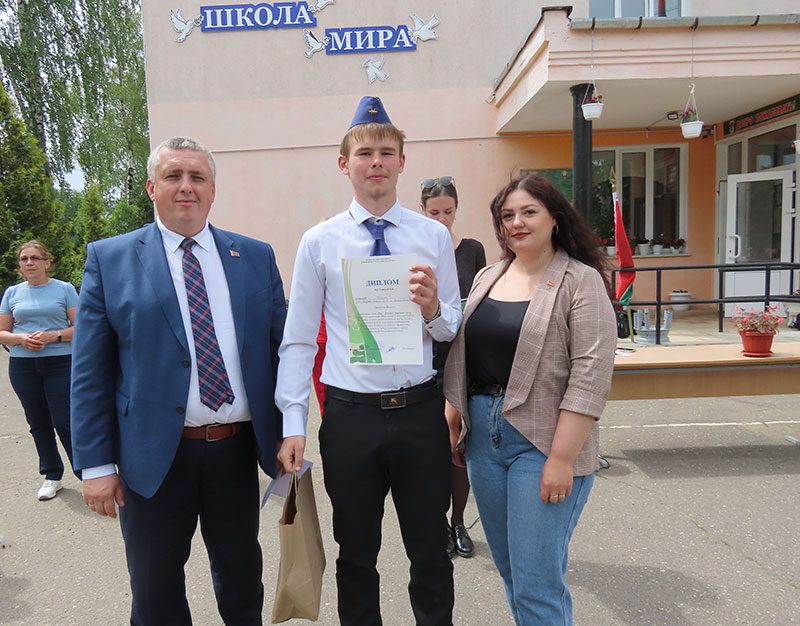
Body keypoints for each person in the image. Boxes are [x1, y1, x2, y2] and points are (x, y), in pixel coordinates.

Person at [70, 136, 286, 625]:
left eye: (197, 177)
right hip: (152, 458)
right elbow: (89, 372)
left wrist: (290, 428)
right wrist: (96, 463)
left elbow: (282, 351)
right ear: (152, 187)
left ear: (212, 190)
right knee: (155, 591)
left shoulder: (254, 257)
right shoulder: (110, 259)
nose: (186, 186)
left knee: (242, 580)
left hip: (235, 451)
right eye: (173, 176)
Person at [276, 96, 462, 626]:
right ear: (345, 164)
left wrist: (432, 309)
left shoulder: (432, 236)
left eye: (386, 152)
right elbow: (298, 341)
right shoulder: (319, 242)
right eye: (364, 153)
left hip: (419, 413)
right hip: (351, 417)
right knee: (356, 555)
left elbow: (451, 326)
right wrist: (293, 423)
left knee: (430, 551)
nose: (375, 162)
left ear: (402, 161)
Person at [443, 174, 617, 625]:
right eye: (507, 215)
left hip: (543, 441)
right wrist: (454, 414)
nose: (517, 222)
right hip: (484, 441)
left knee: (537, 582)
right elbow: (466, 352)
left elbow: (590, 376)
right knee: (510, 570)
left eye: (528, 212)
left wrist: (562, 458)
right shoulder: (488, 276)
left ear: (554, 218)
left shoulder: (581, 281)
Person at [420, 176, 486, 559]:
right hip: (425, 361)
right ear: (422, 212)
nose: (442, 219)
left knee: (457, 441)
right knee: (431, 449)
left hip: (461, 358)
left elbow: (481, 303)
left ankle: (458, 520)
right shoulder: (416, 249)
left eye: (448, 211)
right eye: (434, 213)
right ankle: (436, 523)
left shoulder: (472, 250)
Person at [0, 241, 80, 501]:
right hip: (23, 366)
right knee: (38, 423)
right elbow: (2, 332)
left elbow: (80, 327)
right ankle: (52, 475)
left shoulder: (65, 289)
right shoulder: (12, 293)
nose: (29, 263)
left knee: (65, 422)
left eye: (34, 258)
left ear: (47, 262)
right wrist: (20, 339)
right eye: (24, 259)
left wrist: (53, 336)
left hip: (60, 362)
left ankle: (87, 474)